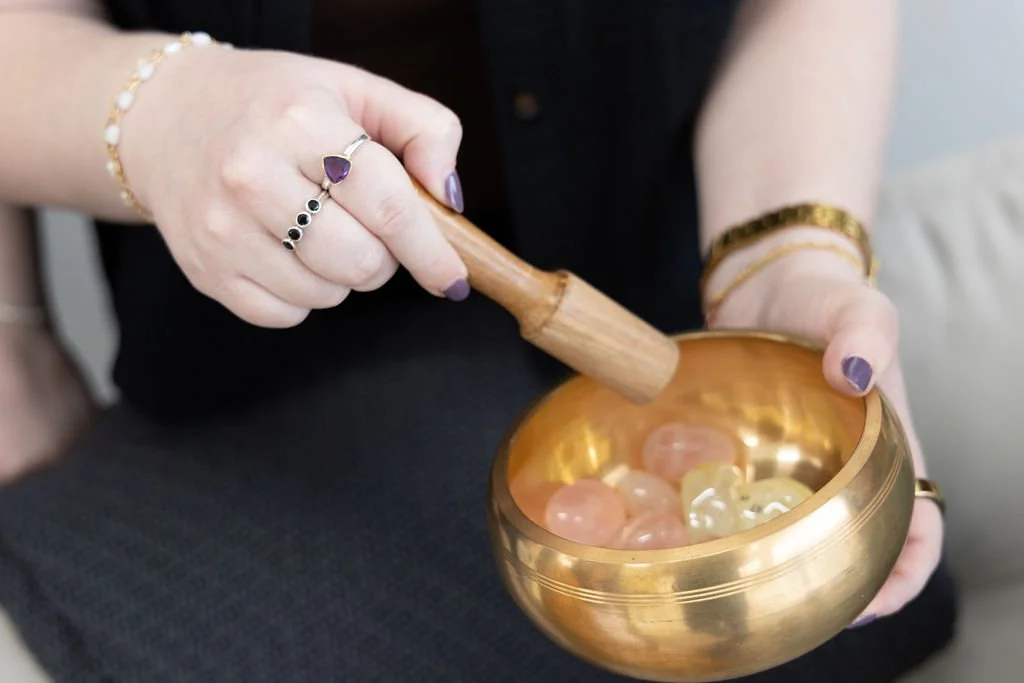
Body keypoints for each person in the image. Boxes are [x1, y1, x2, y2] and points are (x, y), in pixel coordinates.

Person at [0, 0, 956, 681]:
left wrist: (783, 258)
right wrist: (163, 109)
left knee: (842, 607)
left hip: (659, 292)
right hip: (256, 376)